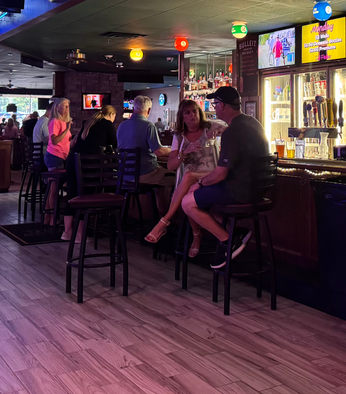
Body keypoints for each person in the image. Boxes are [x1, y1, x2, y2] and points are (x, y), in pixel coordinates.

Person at [182, 86, 270, 269]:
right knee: (202, 200)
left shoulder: (233, 130)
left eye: (215, 104)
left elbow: (220, 173)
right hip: (258, 190)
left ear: (222, 105)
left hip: (239, 191)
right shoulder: (253, 122)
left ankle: (228, 241)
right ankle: (235, 231)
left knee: (187, 202)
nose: (214, 107)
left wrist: (200, 183)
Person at [145, 99, 226, 254]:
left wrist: (220, 132)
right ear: (182, 117)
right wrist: (184, 153)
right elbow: (171, 166)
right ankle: (197, 235)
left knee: (187, 178)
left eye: (194, 111)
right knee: (186, 195)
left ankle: (164, 222)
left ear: (199, 113)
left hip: (211, 178)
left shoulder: (210, 127)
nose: (192, 115)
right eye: (187, 113)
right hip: (192, 183)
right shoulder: (180, 137)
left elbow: (232, 129)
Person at [63, 105, 117, 241]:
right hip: (88, 164)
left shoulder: (89, 123)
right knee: (85, 195)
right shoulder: (107, 124)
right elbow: (114, 144)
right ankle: (80, 235)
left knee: (72, 194)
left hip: (72, 160)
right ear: (111, 114)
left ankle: (67, 232)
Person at [116, 95, 170, 192]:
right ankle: (160, 203)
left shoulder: (121, 126)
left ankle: (144, 201)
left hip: (124, 175)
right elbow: (159, 151)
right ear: (149, 110)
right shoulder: (148, 125)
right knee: (173, 178)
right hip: (144, 174)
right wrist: (175, 150)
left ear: (133, 108)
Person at [43, 98, 72, 226]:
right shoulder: (55, 121)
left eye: (67, 106)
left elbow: (66, 141)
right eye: (64, 106)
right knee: (54, 189)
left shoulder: (64, 122)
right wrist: (66, 130)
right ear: (57, 107)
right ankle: (51, 218)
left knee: (54, 189)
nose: (66, 108)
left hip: (61, 156)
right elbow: (54, 140)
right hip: (54, 156)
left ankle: (49, 217)